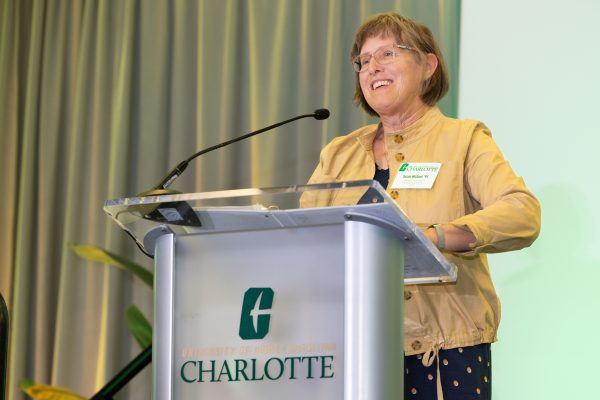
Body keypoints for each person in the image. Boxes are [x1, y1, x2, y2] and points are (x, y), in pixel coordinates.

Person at [305, 12, 541, 400]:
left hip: (444, 352)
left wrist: (437, 236)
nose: (373, 68)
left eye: (387, 54)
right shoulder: (339, 154)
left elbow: (522, 213)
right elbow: (305, 236)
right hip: (351, 350)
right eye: (364, 61)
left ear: (428, 65)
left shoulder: (464, 139)